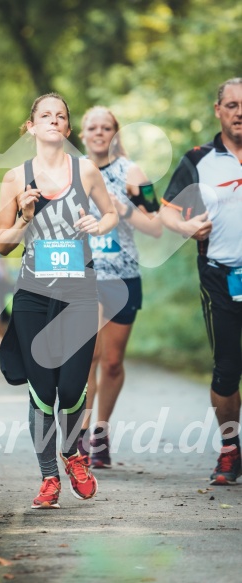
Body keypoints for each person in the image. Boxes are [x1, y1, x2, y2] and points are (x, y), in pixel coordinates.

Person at [0, 93, 119, 509]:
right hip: (33, 296)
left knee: (70, 388)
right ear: (30, 126)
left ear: (68, 129)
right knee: (41, 388)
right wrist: (24, 219)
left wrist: (97, 223)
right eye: (44, 115)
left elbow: (112, 214)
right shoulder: (16, 178)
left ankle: (73, 453)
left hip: (79, 293)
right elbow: (1, 245)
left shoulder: (85, 171)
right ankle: (49, 476)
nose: (53, 121)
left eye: (61, 116)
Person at [161, 78, 242, 485]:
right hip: (220, 277)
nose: (239, 111)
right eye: (232, 105)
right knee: (227, 369)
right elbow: (167, 212)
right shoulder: (198, 159)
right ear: (218, 110)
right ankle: (230, 449)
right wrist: (187, 225)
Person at [77, 106, 162, 468]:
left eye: (106, 127)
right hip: (84, 276)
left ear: (115, 133)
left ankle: (100, 431)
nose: (99, 132)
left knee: (112, 362)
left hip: (124, 276)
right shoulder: (70, 172)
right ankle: (81, 433)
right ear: (82, 135)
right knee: (90, 356)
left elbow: (156, 224)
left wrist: (123, 208)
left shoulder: (134, 172)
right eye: (92, 127)